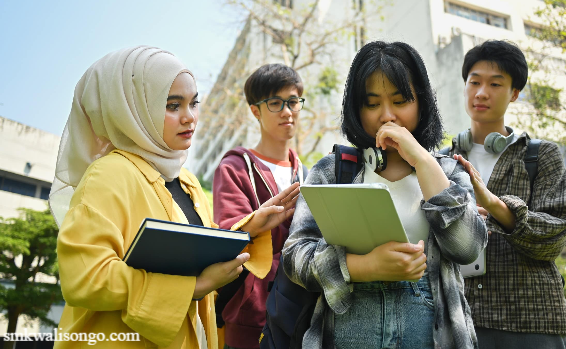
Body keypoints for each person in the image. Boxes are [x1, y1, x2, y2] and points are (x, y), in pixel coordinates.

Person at [50, 46, 299, 349]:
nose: (189, 118)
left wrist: (249, 230)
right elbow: (85, 278)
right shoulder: (108, 175)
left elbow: (201, 257)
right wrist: (193, 286)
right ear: (131, 108)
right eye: (172, 105)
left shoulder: (188, 182)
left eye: (194, 103)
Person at [280, 41, 487, 349]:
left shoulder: (448, 171)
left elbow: (468, 248)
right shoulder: (333, 171)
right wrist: (364, 267)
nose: (387, 116)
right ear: (356, 107)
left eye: (401, 100)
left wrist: (423, 161)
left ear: (422, 102)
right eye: (372, 103)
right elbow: (294, 257)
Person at [445, 40, 566, 348]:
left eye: (495, 84)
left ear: (514, 93)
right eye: (474, 82)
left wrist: (495, 206)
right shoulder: (439, 162)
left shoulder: (540, 155)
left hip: (532, 319)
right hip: (458, 321)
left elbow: (556, 235)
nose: (481, 92)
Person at [212, 63, 307, 349]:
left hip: (302, 311)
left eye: (292, 102)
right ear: (256, 110)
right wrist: (256, 223)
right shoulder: (235, 167)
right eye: (275, 103)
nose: (287, 112)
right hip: (251, 315)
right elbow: (226, 234)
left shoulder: (308, 173)